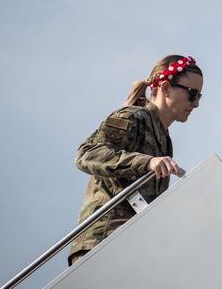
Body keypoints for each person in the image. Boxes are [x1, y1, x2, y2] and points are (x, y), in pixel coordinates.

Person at [68, 55, 203, 265]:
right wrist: (147, 162)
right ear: (166, 88)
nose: (195, 103)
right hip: (104, 240)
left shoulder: (163, 139)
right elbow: (87, 153)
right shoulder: (133, 117)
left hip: (131, 242)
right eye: (192, 94)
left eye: (199, 96)